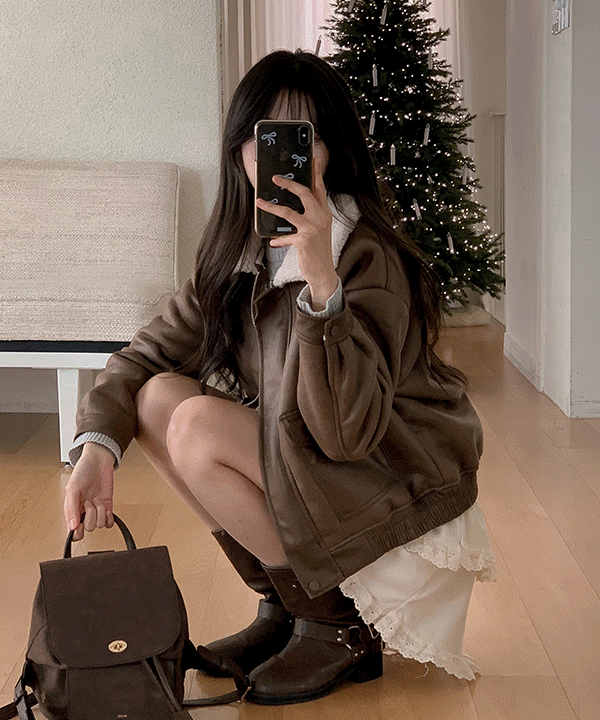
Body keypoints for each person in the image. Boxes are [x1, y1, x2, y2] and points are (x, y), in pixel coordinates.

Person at [64, 49, 497, 705]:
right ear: (240, 150)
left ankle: (337, 626)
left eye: (301, 138)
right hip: (315, 469)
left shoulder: (367, 253)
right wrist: (97, 448)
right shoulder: (238, 251)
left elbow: (347, 434)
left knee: (198, 424)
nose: (278, 158)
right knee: (156, 400)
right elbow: (143, 355)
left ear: (331, 151)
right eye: (263, 137)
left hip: (390, 478)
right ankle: (286, 609)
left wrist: (321, 282)